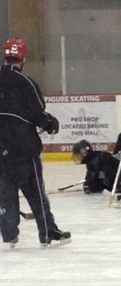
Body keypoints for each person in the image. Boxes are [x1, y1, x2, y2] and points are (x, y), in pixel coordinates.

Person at [0, 38, 71, 249]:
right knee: (35, 192)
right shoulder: (26, 83)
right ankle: (47, 232)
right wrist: (50, 123)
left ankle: (9, 233)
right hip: (23, 147)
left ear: (5, 56)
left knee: (6, 191)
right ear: (23, 58)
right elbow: (36, 112)